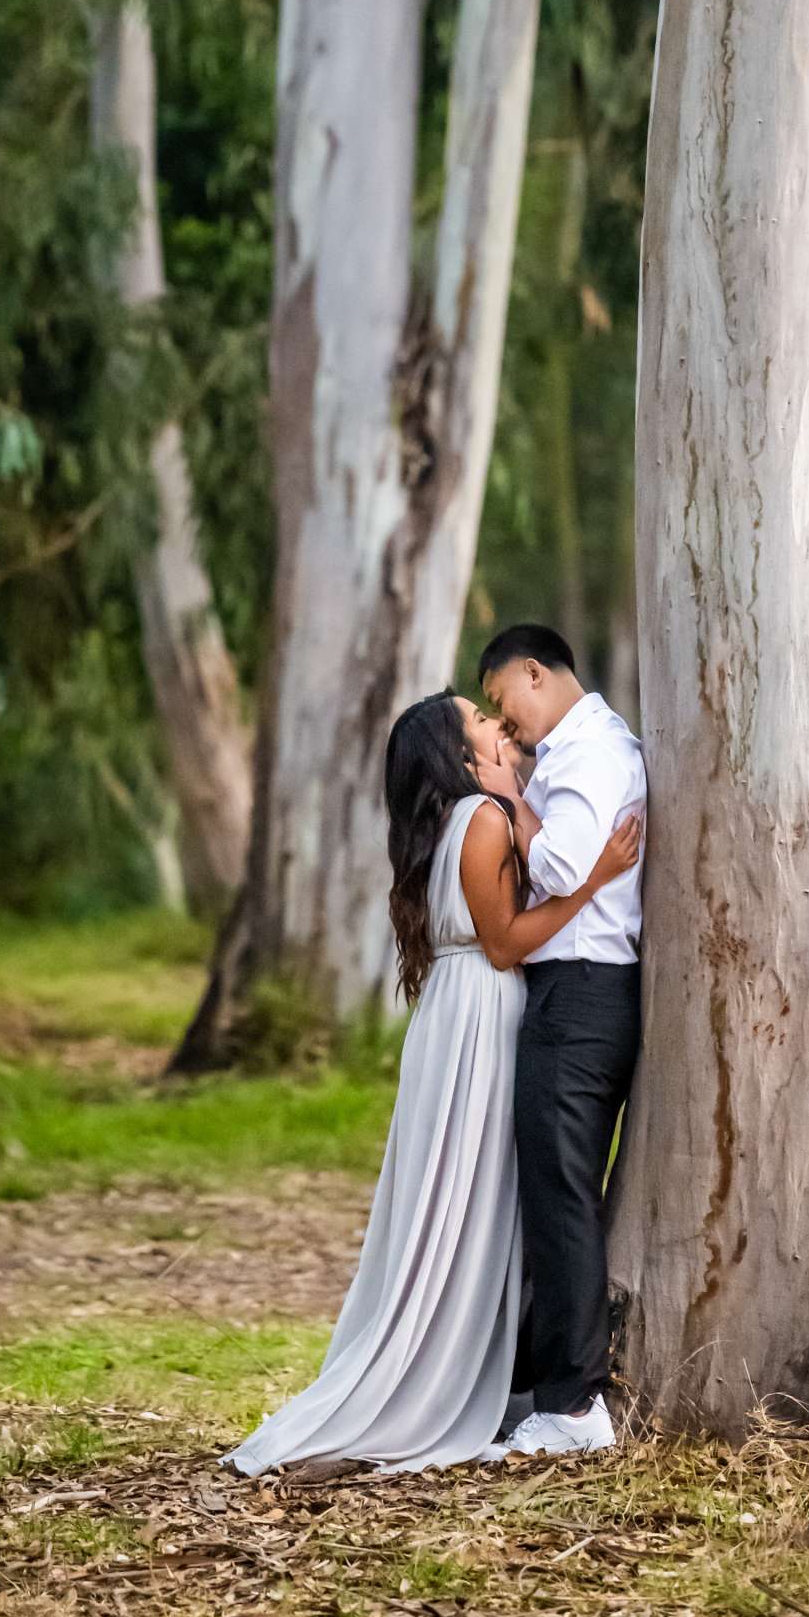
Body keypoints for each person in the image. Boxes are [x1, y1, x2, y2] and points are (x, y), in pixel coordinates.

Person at [225, 690, 640, 1476]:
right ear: (460, 755)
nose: (498, 724)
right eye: (481, 723)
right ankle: (466, 1377)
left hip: (457, 1015)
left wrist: (519, 799)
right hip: (482, 1016)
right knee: (479, 1195)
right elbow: (507, 943)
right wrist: (596, 881)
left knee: (471, 1196)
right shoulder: (480, 822)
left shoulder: (474, 817)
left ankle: (491, 1368)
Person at [478, 624, 647, 1459]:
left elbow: (559, 866)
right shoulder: (589, 748)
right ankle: (534, 1384)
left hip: (580, 995)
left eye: (502, 699)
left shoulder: (587, 756)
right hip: (579, 991)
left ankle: (576, 1406)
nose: (503, 723)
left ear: (535, 673)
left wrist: (509, 799)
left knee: (562, 1193)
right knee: (550, 1188)